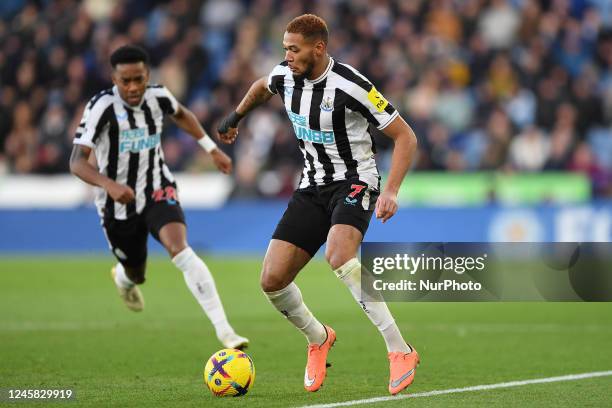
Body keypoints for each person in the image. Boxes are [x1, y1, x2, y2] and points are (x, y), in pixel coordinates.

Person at [217, 14, 418, 394]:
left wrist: (390, 191)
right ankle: (318, 337)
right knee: (272, 280)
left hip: (356, 180)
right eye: (285, 49)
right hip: (312, 186)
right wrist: (236, 115)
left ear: (318, 47)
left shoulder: (352, 85)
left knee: (339, 255)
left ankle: (400, 349)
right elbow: (262, 86)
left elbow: (405, 137)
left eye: (294, 49)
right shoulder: (284, 76)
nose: (287, 56)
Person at [70, 45, 248, 350]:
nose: (133, 87)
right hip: (118, 202)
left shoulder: (158, 96)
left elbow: (182, 114)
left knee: (180, 249)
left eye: (138, 79)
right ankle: (123, 279)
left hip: (157, 187)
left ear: (147, 74)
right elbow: (76, 161)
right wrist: (108, 185)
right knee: (136, 273)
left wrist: (211, 149)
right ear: (114, 79)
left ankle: (225, 331)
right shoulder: (101, 107)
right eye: (125, 81)